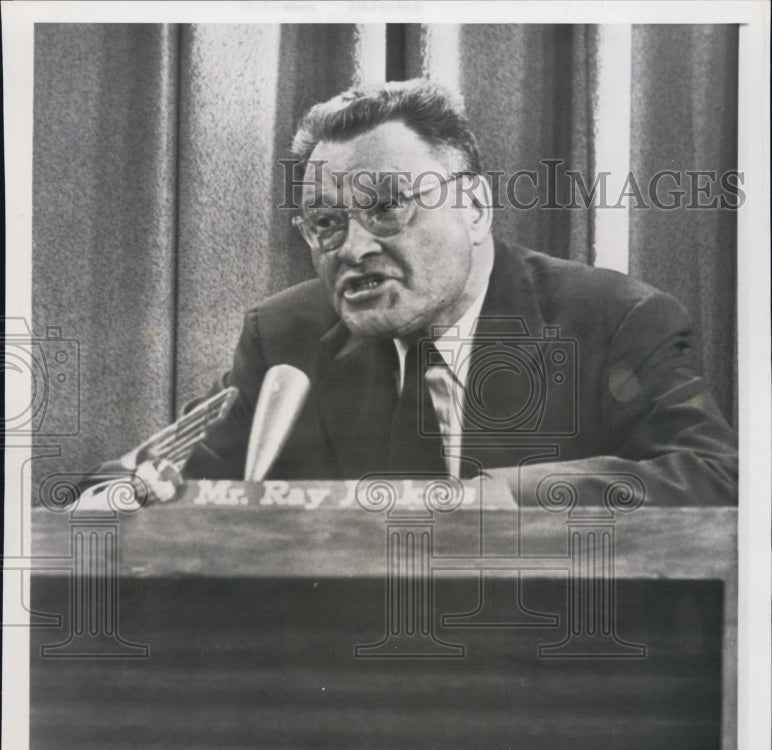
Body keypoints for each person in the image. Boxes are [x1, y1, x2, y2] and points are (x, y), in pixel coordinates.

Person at [181, 78, 737, 506]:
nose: (351, 248)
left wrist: (496, 497)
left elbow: (713, 476)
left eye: (385, 207)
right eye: (325, 222)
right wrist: (122, 490)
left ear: (472, 208)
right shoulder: (284, 336)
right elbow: (160, 476)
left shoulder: (613, 320)